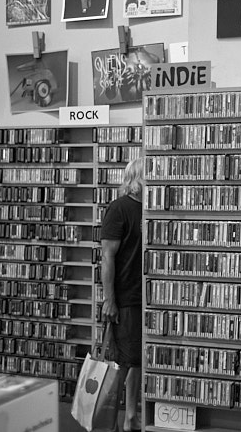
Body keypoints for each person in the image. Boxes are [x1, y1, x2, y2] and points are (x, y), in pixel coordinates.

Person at [100, 157, 144, 432]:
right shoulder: (119, 208)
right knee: (123, 362)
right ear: (137, 180)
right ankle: (114, 419)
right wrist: (109, 299)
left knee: (136, 359)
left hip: (145, 297)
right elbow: (107, 257)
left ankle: (130, 416)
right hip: (125, 297)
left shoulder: (151, 210)